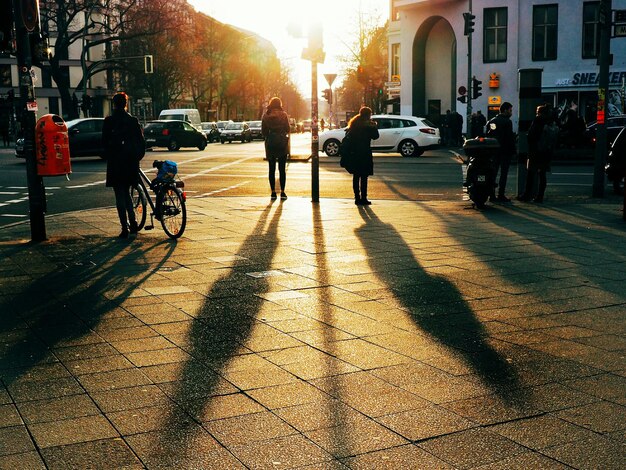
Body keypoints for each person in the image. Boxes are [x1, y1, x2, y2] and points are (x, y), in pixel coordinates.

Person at [102, 92, 145, 238]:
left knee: (119, 194)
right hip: (130, 162)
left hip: (115, 162)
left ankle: (124, 228)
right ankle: (133, 223)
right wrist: (136, 158)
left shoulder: (109, 121)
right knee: (126, 191)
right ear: (126, 103)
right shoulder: (132, 121)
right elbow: (141, 143)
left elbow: (104, 142)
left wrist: (110, 155)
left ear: (114, 104)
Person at [518, 104, 557, 203]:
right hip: (546, 152)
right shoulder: (550, 121)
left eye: (537, 111)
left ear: (540, 112)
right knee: (542, 175)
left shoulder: (538, 120)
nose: (536, 112)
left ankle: (527, 195)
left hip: (535, 151)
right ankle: (540, 196)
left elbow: (531, 135)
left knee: (531, 174)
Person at [345, 106, 379, 205]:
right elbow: (376, 137)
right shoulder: (368, 125)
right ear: (368, 115)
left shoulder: (354, 123)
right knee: (364, 176)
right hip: (365, 153)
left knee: (356, 176)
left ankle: (357, 198)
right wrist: (374, 126)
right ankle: (364, 198)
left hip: (354, 154)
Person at [486, 101, 516, 202]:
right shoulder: (507, 122)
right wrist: (513, 150)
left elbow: (489, 135)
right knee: (503, 174)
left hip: (494, 151)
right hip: (505, 151)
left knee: (493, 173)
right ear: (505, 110)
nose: (511, 112)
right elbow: (509, 138)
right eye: (510, 110)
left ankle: (491, 194)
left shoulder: (492, 121)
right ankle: (501, 194)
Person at [261, 96, 290, 200]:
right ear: (280, 104)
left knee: (271, 169)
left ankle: (273, 192)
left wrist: (270, 135)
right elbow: (288, 129)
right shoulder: (284, 115)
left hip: (270, 144)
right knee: (282, 169)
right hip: (282, 143)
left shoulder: (266, 115)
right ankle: (282, 192)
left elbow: (263, 132)